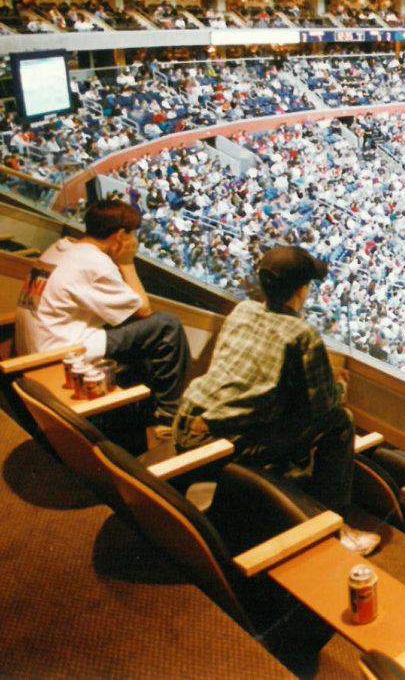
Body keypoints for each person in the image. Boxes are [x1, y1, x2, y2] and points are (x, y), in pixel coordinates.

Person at [171, 245, 379, 555]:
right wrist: (337, 386)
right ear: (302, 291)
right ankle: (334, 528)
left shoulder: (242, 310)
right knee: (339, 422)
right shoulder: (301, 333)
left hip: (186, 427)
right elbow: (324, 406)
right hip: (223, 446)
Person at [16, 200, 190, 425]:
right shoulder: (94, 262)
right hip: (60, 354)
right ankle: (168, 414)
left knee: (132, 332)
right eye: (133, 236)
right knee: (166, 325)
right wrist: (126, 262)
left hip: (37, 349)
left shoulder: (61, 247)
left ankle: (144, 401)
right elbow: (143, 310)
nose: (135, 242)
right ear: (120, 236)